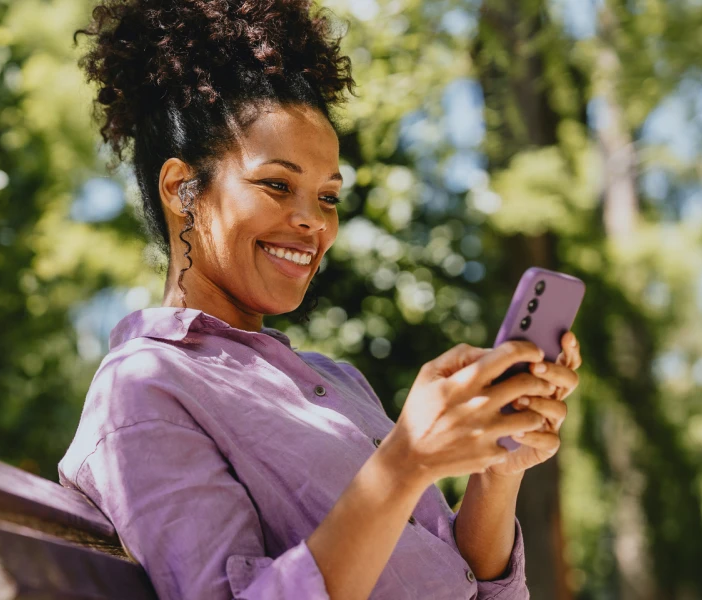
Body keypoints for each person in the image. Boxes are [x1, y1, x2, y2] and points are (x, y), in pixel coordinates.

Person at [58, 1, 582, 598]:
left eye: (328, 197)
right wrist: (406, 461)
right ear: (183, 190)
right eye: (277, 184)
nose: (314, 222)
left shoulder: (337, 382)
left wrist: (496, 471)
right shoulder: (145, 388)